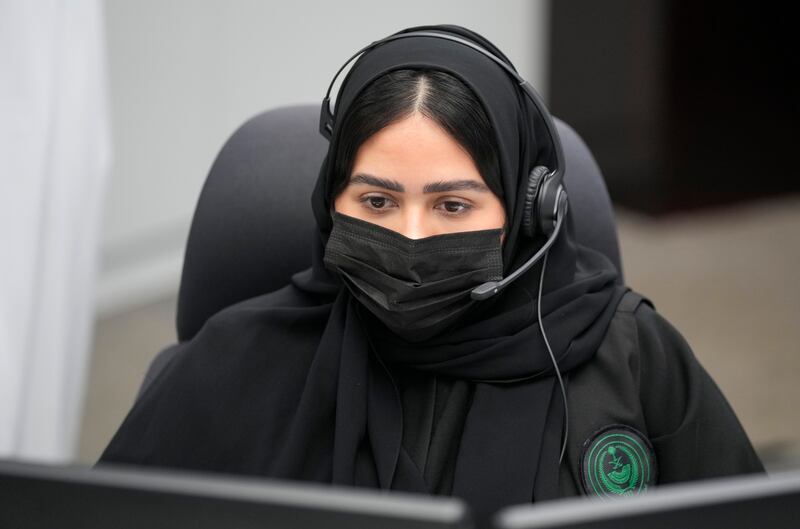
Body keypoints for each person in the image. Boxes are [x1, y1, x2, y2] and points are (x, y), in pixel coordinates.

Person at [99, 24, 763, 525]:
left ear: (527, 210)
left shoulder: (634, 356)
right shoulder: (233, 362)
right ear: (331, 205)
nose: (411, 237)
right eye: (378, 201)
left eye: (452, 204)